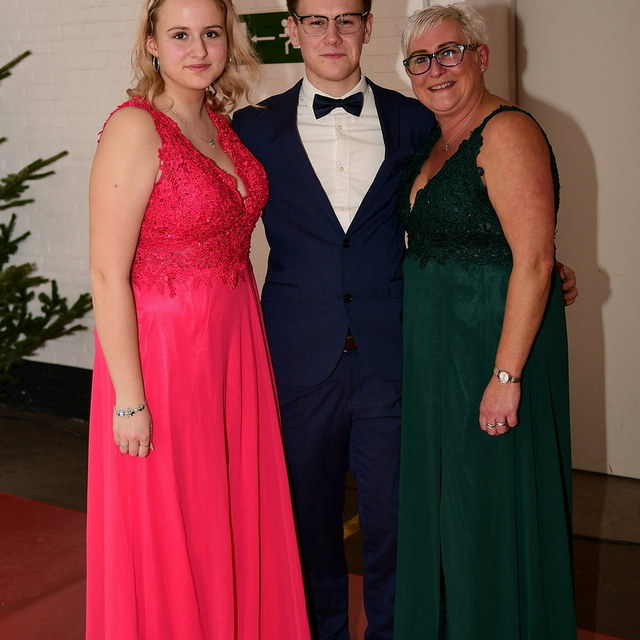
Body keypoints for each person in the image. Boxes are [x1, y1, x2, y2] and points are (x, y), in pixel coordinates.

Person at [233, 2, 577, 639]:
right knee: (305, 531)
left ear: (368, 27)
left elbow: (483, 204)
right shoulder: (252, 127)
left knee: (402, 528)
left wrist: (539, 265)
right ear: (293, 30)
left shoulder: (418, 117)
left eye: (346, 20)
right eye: (315, 21)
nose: (331, 35)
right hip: (296, 358)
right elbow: (218, 229)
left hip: (398, 359)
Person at [86, 0, 311, 638]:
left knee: (228, 512)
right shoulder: (135, 127)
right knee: (175, 515)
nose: (199, 49)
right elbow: (106, 273)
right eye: (180, 34)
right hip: (165, 354)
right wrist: (130, 399)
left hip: (234, 342)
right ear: (152, 44)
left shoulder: (220, 123)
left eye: (211, 33)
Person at [393, 4, 577, 639]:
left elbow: (534, 260)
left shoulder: (508, 131)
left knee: (486, 508)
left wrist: (506, 376)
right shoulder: (435, 139)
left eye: (449, 52)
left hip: (490, 353)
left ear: (481, 56)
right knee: (449, 509)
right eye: (420, 60)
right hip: (437, 355)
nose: (436, 70)